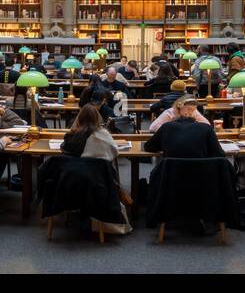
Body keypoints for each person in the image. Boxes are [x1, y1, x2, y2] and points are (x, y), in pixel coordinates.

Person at [60, 103, 132, 235]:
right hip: (101, 181)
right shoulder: (104, 134)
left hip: (74, 182)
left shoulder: (72, 136)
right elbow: (115, 153)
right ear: (97, 118)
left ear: (79, 118)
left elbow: (64, 152)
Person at [142, 96, 221, 158]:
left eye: (193, 110)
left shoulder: (192, 112)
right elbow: (153, 127)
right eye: (189, 109)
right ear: (180, 106)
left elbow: (207, 125)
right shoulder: (169, 114)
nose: (191, 112)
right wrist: (172, 132)